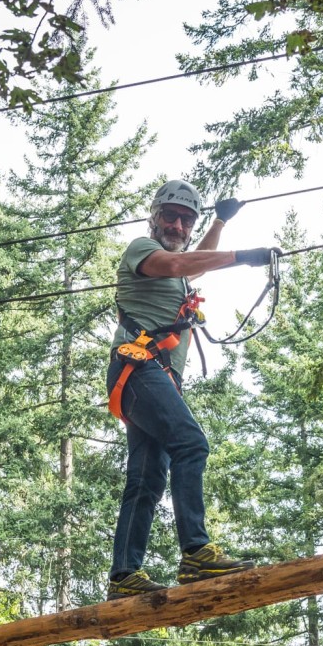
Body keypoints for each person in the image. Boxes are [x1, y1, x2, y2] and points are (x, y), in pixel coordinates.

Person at [105, 179, 278, 600]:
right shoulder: (140, 250)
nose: (178, 226)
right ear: (154, 215)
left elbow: (192, 266)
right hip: (138, 367)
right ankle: (196, 552)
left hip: (156, 378)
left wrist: (218, 220)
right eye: (171, 216)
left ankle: (124, 575)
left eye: (187, 220)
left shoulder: (178, 263)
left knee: (146, 479)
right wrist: (242, 256)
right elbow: (180, 265)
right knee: (191, 444)